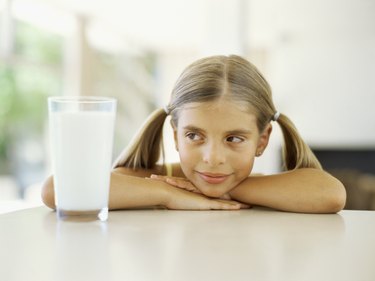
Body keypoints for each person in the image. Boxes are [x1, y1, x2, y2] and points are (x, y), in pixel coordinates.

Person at [41, 55, 346, 213]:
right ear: (175, 135)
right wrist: (168, 194)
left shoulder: (255, 185)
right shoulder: (156, 180)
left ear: (262, 140)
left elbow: (331, 194)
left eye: (234, 139)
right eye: (194, 136)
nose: (212, 158)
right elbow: (58, 189)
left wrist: (206, 191)